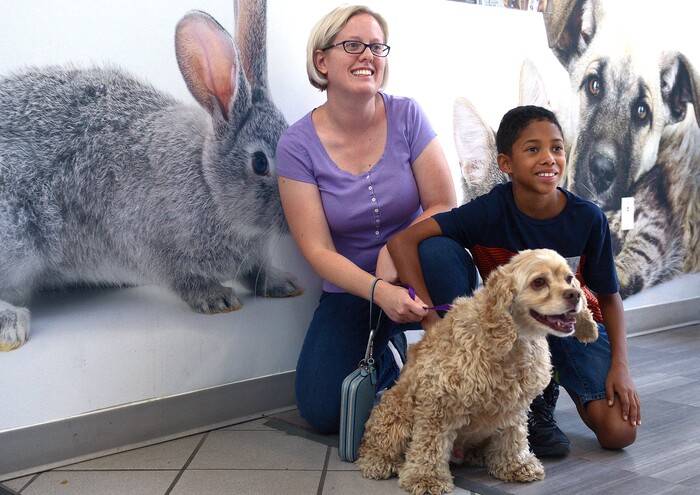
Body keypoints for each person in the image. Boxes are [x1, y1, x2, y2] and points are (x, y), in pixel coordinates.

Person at [387, 105, 641, 454]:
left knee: (619, 433)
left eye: (556, 148)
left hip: (570, 327)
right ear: (505, 163)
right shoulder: (488, 211)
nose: (549, 158)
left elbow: (611, 298)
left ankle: (544, 391)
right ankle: (494, 406)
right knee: (435, 247)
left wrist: (620, 368)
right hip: (510, 329)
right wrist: (432, 321)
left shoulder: (587, 218)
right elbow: (403, 242)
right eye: (533, 149)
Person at [276, 5, 477, 433]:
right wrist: (380, 292)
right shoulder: (296, 145)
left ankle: (465, 381)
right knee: (321, 410)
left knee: (442, 250)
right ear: (321, 60)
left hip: (418, 266)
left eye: (376, 46)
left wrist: (395, 248)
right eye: (352, 45)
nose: (367, 55)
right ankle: (392, 355)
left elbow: (444, 202)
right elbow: (316, 251)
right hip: (354, 288)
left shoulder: (407, 115)